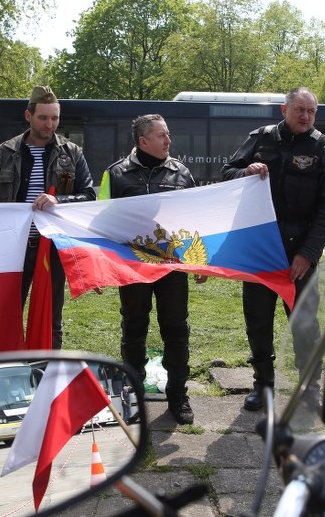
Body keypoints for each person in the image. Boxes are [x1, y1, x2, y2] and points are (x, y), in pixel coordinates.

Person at [220, 88, 325, 413]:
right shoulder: (260, 139)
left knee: (304, 325)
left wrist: (308, 253)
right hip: (260, 250)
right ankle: (263, 384)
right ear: (283, 110)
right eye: (299, 109)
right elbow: (227, 173)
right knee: (258, 321)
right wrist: (245, 171)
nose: (305, 116)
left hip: (299, 253)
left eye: (311, 111)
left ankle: (309, 387)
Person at [100, 114, 204, 425]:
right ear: (143, 141)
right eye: (162, 136)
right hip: (132, 267)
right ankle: (132, 393)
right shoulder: (115, 174)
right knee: (133, 328)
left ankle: (178, 394)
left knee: (176, 329)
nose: (169, 141)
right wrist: (99, 267)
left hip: (172, 267)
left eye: (168, 134)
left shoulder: (181, 172)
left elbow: (196, 218)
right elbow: (100, 222)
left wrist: (200, 260)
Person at [0, 86, 95, 349]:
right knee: (6, 315)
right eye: (43, 117)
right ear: (28, 116)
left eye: (54, 118)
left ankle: (48, 367)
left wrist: (60, 200)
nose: (49, 124)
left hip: (53, 248)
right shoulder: (3, 153)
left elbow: (89, 195)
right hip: (13, 249)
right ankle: (7, 367)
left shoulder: (72, 152)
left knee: (51, 317)